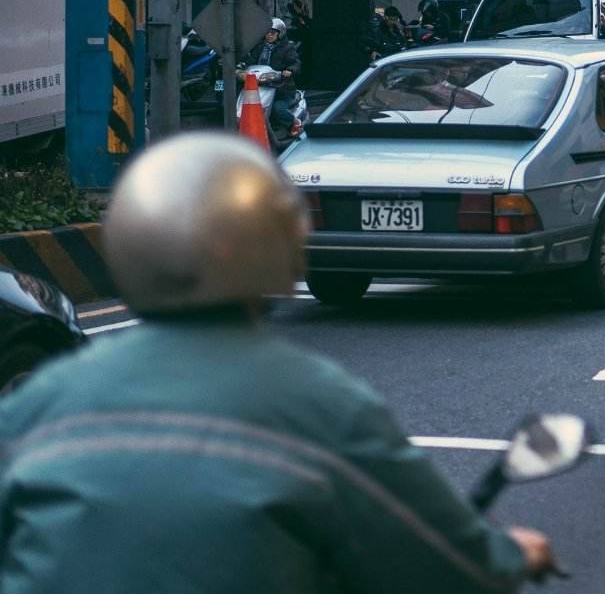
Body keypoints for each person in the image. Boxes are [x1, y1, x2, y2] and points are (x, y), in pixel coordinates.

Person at [0, 135, 555, 591]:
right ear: (278, 243)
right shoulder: (323, 407)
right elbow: (444, 561)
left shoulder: (35, 406)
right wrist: (510, 555)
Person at [240, 17, 302, 138]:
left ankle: (294, 122)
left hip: (281, 88)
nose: (268, 35)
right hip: (259, 86)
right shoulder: (259, 47)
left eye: (272, 33)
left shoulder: (288, 48)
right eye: (266, 33)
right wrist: (242, 65)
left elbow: (296, 63)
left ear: (281, 33)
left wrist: (289, 71)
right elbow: (251, 60)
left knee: (277, 109)